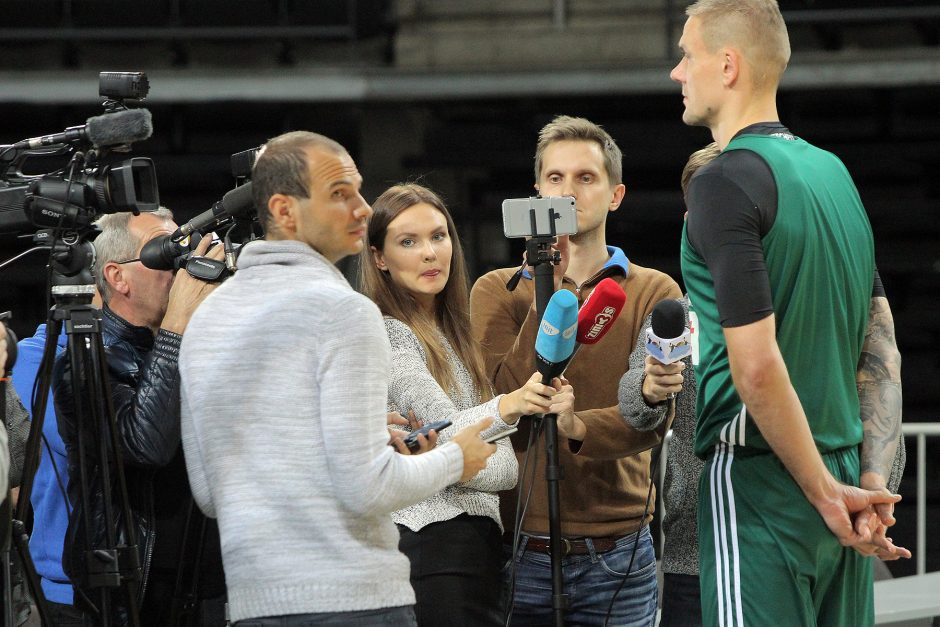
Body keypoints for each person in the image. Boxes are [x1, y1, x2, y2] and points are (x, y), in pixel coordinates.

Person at [178, 131, 498, 627]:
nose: (364, 209)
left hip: (252, 606)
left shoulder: (205, 319)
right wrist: (457, 459)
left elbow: (212, 492)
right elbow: (369, 488)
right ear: (284, 211)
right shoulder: (346, 312)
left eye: (359, 190)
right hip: (354, 601)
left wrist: (341, 443)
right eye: (340, 194)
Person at [670, 2, 909, 625]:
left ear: (727, 66)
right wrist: (868, 487)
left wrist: (825, 493)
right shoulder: (834, 174)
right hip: (847, 475)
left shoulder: (721, 181)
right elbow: (882, 349)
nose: (676, 72)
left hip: (767, 478)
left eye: (687, 55)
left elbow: (754, 367)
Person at [619, 144, 907, 627]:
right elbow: (633, 403)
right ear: (692, 220)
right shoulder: (681, 316)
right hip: (703, 549)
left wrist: (874, 492)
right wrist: (649, 387)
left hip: (834, 533)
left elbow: (874, 396)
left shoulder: (817, 302)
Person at [470, 115, 682, 625]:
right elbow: (495, 399)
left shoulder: (654, 290)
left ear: (615, 194)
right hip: (517, 548)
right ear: (537, 191)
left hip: (618, 552)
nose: (568, 192)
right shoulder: (495, 289)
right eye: (556, 179)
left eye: (585, 178)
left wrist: (579, 425)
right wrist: (553, 285)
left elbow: (653, 414)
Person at [360, 183, 571, 625]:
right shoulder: (391, 333)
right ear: (379, 257)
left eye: (439, 236)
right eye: (408, 242)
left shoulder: (451, 333)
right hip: (433, 550)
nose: (430, 253)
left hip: (471, 551)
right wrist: (508, 407)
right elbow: (489, 463)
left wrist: (451, 446)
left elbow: (479, 456)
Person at [53, 208, 227, 625]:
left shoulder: (197, 346)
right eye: (167, 257)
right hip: (135, 595)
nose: (183, 269)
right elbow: (144, 444)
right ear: (117, 277)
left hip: (208, 583)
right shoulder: (84, 361)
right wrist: (178, 323)